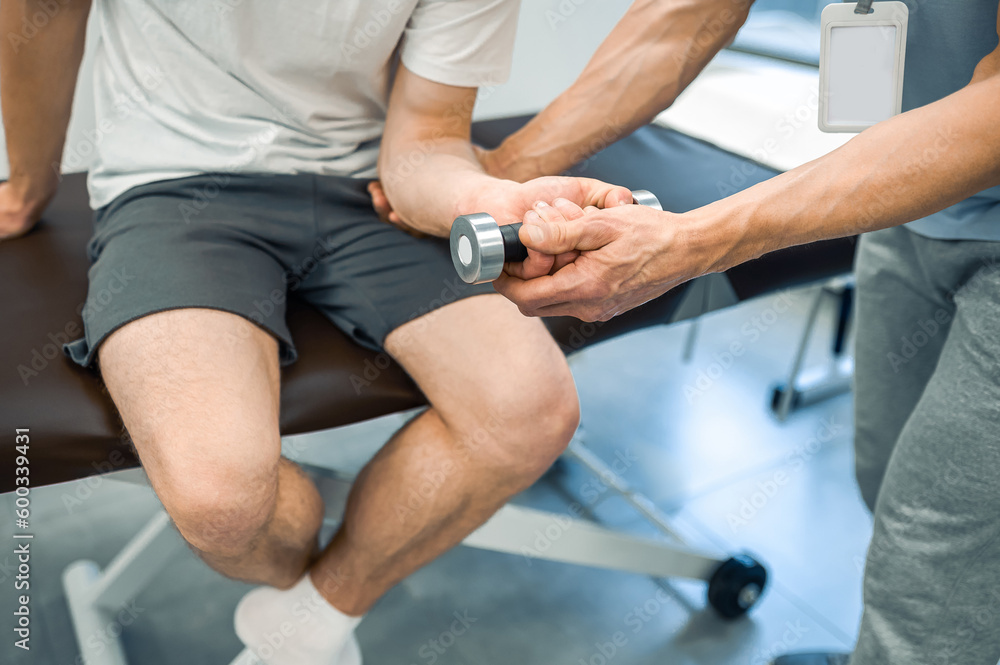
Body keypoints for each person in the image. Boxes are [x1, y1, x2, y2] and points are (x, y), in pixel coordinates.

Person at [0, 1, 637, 664]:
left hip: (371, 189)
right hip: (175, 186)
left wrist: (479, 200)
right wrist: (28, 183)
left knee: (531, 411)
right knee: (223, 503)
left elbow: (427, 142)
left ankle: (315, 613)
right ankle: (306, 598)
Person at [480, 1, 1000, 664]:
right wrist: (502, 170)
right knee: (888, 477)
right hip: (917, 200)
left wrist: (694, 241)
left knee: (929, 555)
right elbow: (687, 12)